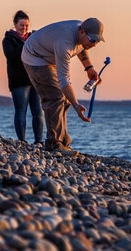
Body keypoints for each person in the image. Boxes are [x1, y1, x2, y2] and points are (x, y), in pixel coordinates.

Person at [21, 18, 105, 157]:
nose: (94, 44)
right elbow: (64, 81)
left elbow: (82, 48)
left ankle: (63, 141)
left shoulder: (81, 32)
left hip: (48, 54)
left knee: (65, 99)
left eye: (97, 41)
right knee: (55, 97)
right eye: (92, 40)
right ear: (82, 32)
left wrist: (89, 68)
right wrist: (77, 105)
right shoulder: (64, 44)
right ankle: (54, 144)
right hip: (34, 57)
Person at [2, 10, 44, 144]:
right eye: (21, 25)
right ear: (15, 24)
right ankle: (22, 141)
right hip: (19, 80)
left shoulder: (33, 38)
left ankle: (39, 141)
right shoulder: (8, 39)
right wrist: (27, 45)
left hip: (35, 79)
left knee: (38, 111)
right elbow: (11, 55)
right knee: (21, 111)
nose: (24, 28)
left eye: (26, 25)